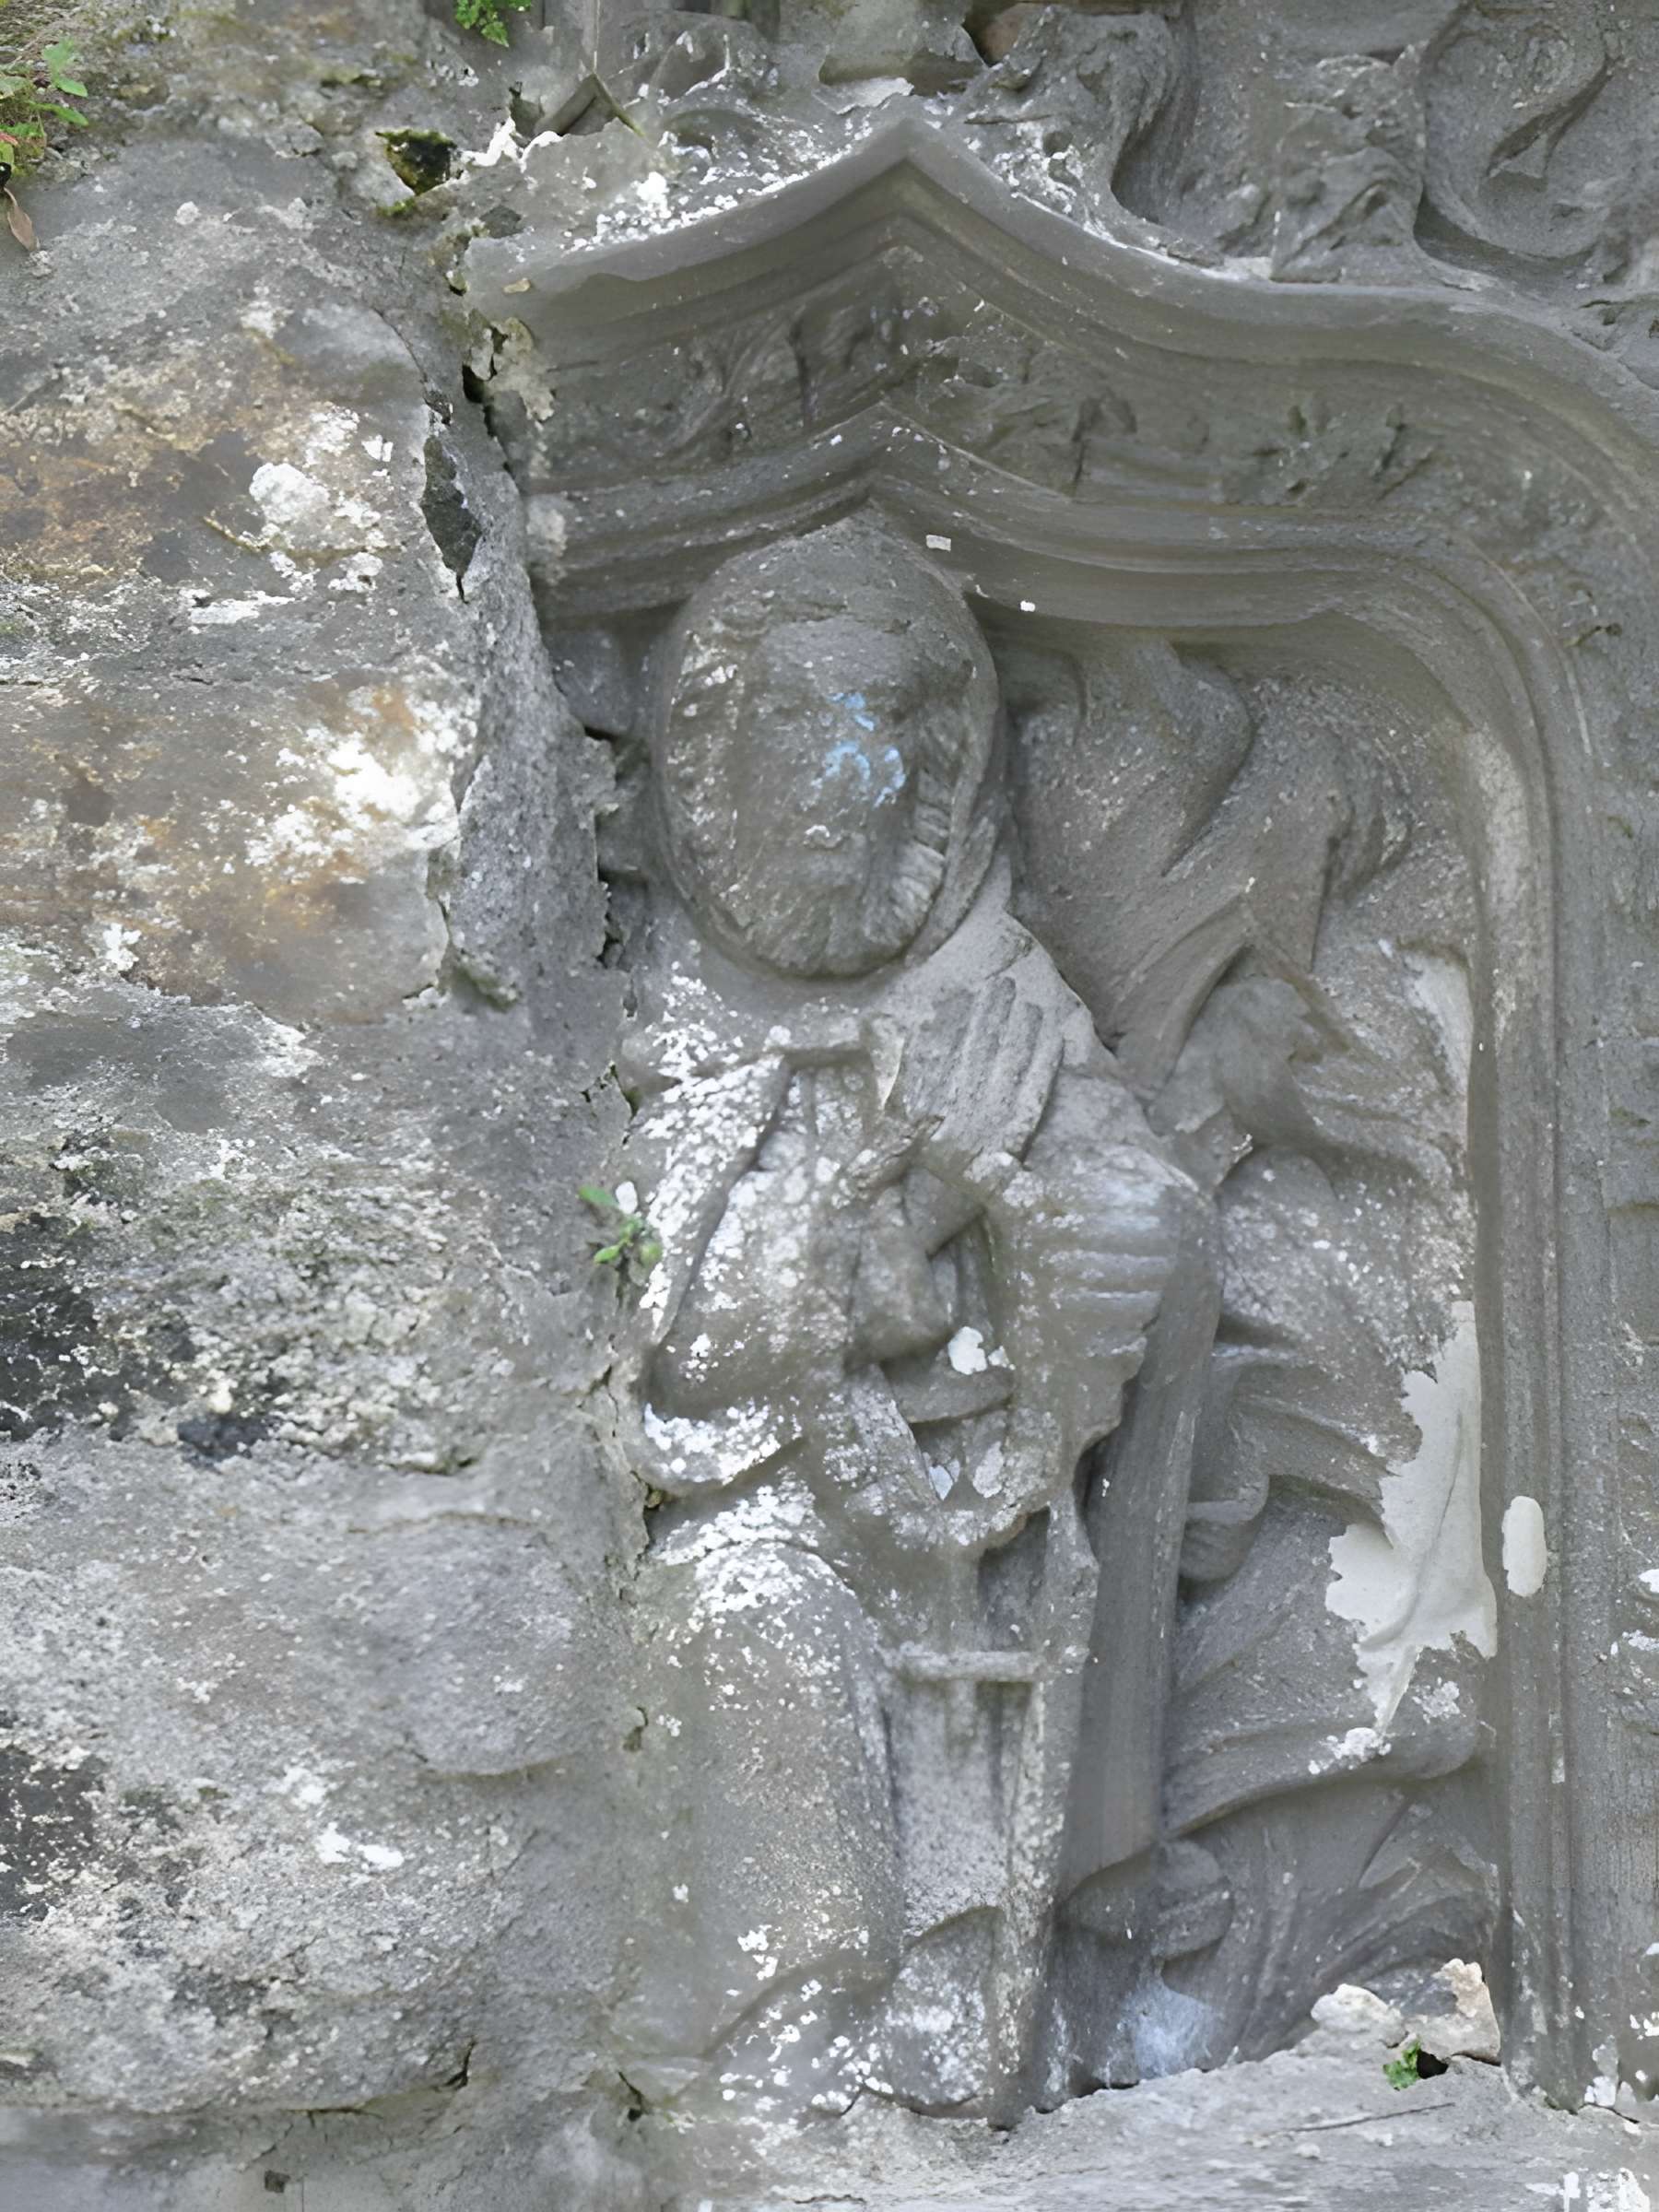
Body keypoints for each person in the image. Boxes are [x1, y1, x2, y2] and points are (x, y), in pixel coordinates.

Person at [606, 518, 1213, 2123]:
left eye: (891, 725)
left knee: (983, 1633)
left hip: (962, 1517)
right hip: (745, 1517)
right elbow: (679, 1339)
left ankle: (946, 2060)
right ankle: (783, 2084)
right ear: (708, 755)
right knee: (764, 1630)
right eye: (803, 719)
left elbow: (1132, 1222)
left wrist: (1106, 1249)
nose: (851, 772)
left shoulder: (993, 993)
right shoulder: (659, 1016)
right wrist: (916, 1218)